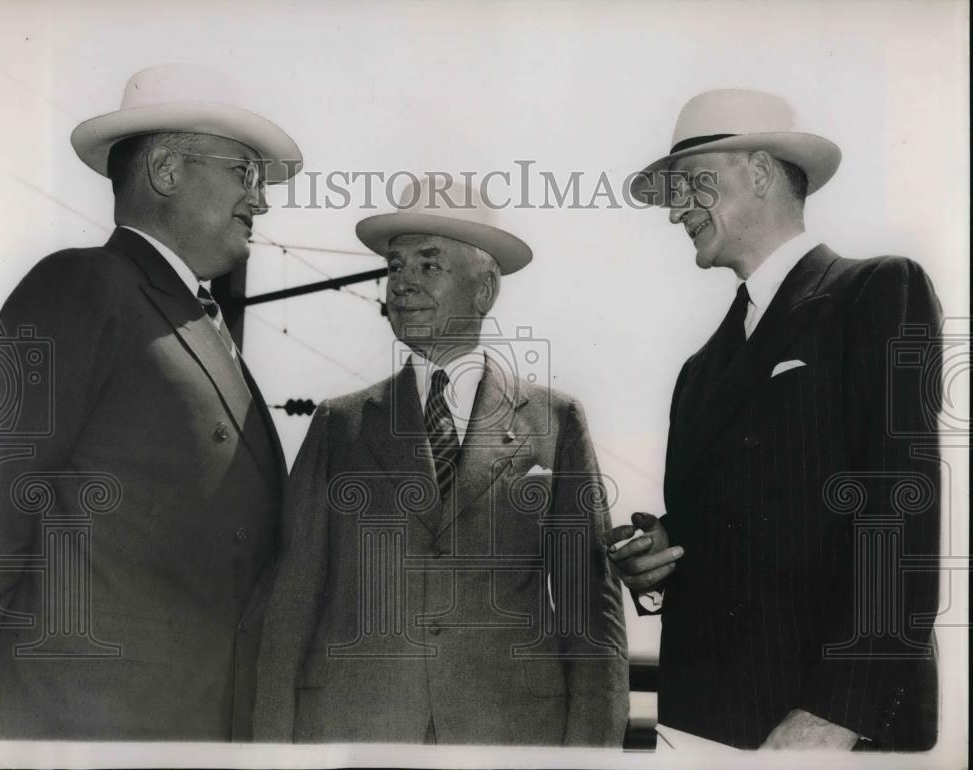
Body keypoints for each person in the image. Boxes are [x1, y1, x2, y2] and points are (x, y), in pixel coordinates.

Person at [610, 89, 942, 750]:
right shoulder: (699, 369)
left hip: (820, 731)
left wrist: (836, 715)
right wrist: (664, 553)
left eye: (688, 185)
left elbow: (899, 513)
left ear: (758, 171)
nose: (674, 210)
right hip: (698, 723)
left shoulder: (876, 290)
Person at [254, 177, 629, 745]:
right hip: (356, 736)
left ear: (485, 290)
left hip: (509, 740)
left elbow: (590, 610)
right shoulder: (338, 424)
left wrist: (591, 755)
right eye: (395, 266)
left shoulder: (557, 421)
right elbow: (291, 606)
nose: (402, 283)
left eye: (428, 266)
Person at [0, 64, 301, 740]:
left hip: (193, 723)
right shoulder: (84, 286)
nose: (262, 200)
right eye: (244, 173)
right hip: (85, 722)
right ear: (165, 169)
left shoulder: (196, 322)